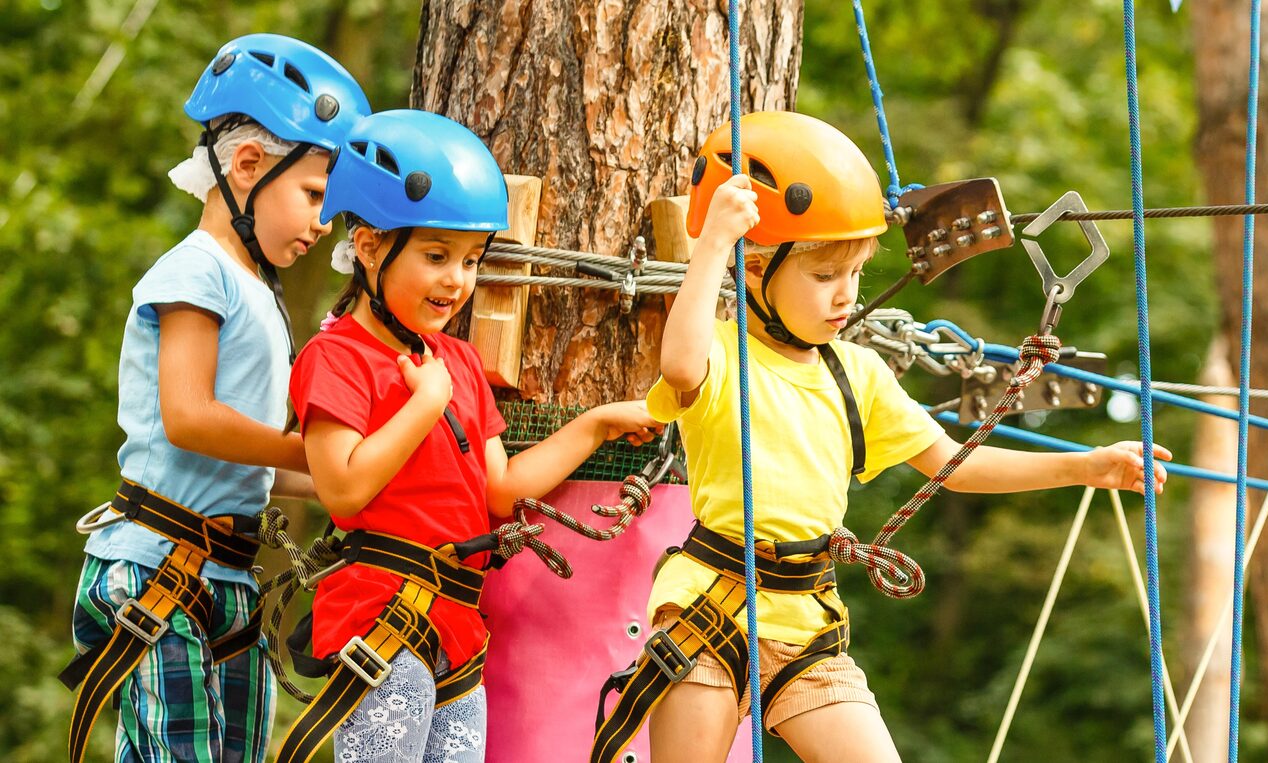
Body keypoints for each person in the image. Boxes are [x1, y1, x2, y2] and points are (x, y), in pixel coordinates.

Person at [593, 110, 1172, 763]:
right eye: (823, 276)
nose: (846, 296)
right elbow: (678, 364)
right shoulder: (721, 357)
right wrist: (713, 247)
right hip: (708, 610)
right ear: (754, 271)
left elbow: (953, 465)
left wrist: (1087, 465)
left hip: (807, 619)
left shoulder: (857, 373)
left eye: (857, 273)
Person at [277, 109, 662, 763]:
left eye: (471, 260)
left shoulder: (455, 364)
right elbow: (342, 490)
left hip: (458, 626)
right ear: (369, 246)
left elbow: (502, 491)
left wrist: (593, 425)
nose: (457, 279)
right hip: (379, 614)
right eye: (435, 256)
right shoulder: (336, 357)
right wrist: (424, 405)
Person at [62, 33, 368, 763]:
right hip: (155, 566)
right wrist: (308, 451)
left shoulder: (261, 290)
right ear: (248, 166)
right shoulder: (196, 271)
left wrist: (359, 477)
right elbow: (191, 416)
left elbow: (267, 461)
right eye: (315, 194)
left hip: (227, 575)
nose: (324, 223)